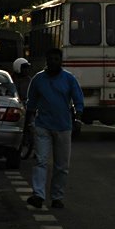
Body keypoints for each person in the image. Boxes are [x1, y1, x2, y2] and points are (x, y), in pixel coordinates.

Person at [26, 48, 84, 210]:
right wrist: (26, 124)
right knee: (41, 161)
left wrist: (78, 121)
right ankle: (38, 195)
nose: (53, 63)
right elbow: (31, 103)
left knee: (61, 166)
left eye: (56, 60)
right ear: (47, 61)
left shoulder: (69, 79)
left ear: (61, 61)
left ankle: (57, 197)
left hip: (64, 127)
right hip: (43, 126)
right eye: (50, 60)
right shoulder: (38, 80)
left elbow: (78, 101)